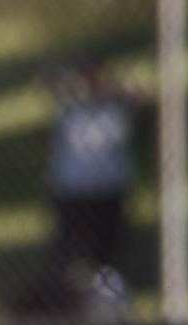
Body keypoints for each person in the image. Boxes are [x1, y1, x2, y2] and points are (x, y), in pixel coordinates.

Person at [46, 61, 133, 277]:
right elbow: (50, 81)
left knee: (107, 247)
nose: (93, 88)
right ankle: (66, 289)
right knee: (70, 248)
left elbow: (136, 95)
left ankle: (105, 284)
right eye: (88, 82)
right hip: (74, 191)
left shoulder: (116, 111)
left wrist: (115, 87)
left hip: (108, 189)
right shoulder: (70, 109)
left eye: (98, 82)